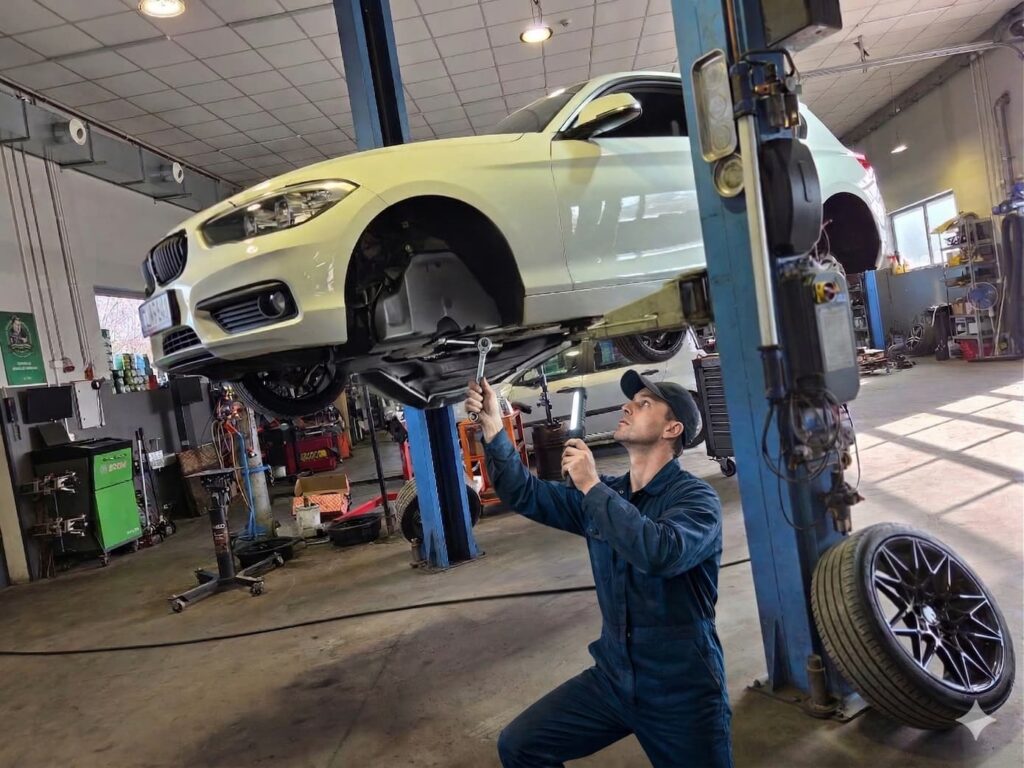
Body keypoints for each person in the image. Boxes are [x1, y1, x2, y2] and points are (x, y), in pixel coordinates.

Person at [465, 370, 733, 768]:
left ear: (672, 429)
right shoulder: (610, 493)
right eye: (631, 401)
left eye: (644, 404)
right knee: (520, 746)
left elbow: (659, 552)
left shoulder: (696, 499)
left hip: (680, 689)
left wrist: (591, 485)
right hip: (614, 678)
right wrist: (492, 428)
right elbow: (526, 493)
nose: (627, 407)